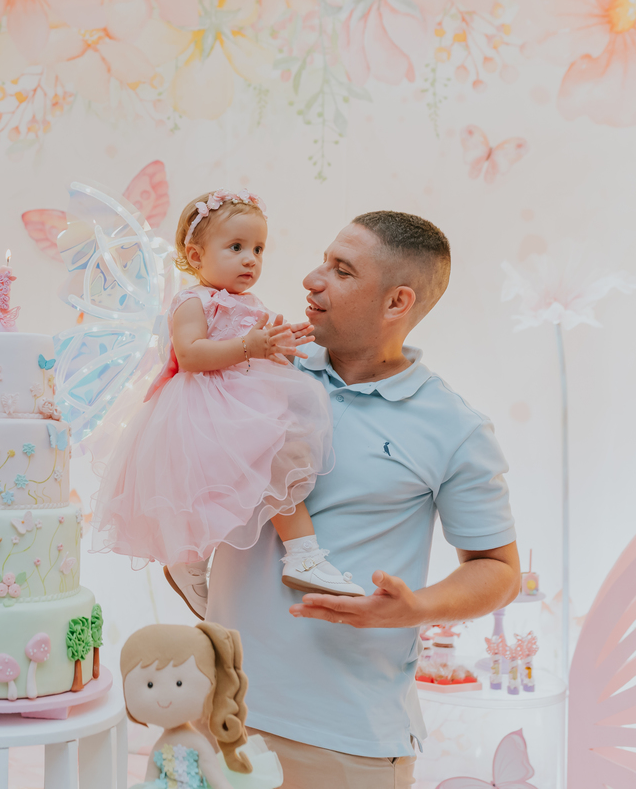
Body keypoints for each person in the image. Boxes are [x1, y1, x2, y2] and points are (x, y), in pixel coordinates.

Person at [205, 211, 522, 789]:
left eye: (341, 270)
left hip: (346, 743)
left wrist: (415, 608)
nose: (311, 278)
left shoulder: (456, 428)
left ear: (397, 302)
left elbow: (498, 570)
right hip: (216, 716)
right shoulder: (258, 371)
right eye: (324, 259)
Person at [93, 189, 364, 622]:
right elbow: (191, 356)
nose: (250, 259)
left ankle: (301, 555)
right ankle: (194, 561)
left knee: (279, 466)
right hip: (204, 408)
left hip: (244, 398)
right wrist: (248, 345)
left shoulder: (251, 304)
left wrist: (276, 347)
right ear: (195, 255)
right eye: (236, 247)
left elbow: (256, 348)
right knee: (207, 493)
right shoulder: (192, 301)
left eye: (258, 249)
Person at [121, 622, 284, 789]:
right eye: (150, 685)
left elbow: (217, 780)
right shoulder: (159, 748)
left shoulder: (198, 743)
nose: (163, 697)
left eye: (178, 683)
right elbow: (149, 782)